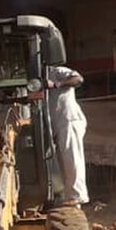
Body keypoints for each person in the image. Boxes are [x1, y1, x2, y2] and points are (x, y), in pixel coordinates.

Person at [46, 65, 88, 206]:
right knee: (57, 162)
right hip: (51, 124)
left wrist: (57, 84)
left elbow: (78, 79)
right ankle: (63, 197)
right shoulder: (31, 76)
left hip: (68, 119)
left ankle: (77, 196)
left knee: (72, 157)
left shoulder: (57, 71)